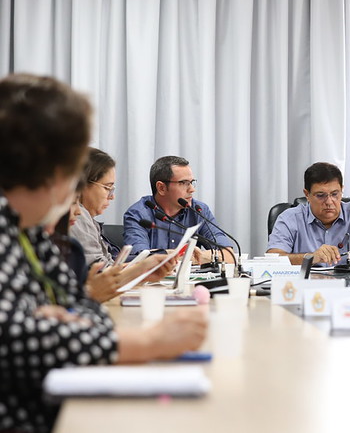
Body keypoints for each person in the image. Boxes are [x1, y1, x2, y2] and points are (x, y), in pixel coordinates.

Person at [0, 74, 206, 432]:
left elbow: (85, 309)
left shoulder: (29, 231)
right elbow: (15, 339)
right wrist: (149, 341)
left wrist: (57, 322)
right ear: (50, 169)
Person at [267, 162, 350, 269]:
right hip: (306, 287)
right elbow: (272, 260)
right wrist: (311, 257)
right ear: (307, 194)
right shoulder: (289, 218)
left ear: (342, 190)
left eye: (335, 194)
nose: (329, 202)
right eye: (320, 195)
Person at [123, 156, 234, 264]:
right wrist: (185, 256)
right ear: (161, 188)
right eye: (183, 183)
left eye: (192, 182)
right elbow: (139, 261)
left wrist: (199, 257)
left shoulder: (199, 210)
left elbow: (229, 255)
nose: (192, 189)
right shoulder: (138, 215)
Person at [71, 147, 121, 266]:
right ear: (83, 184)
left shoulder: (88, 218)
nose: (111, 196)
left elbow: (108, 264)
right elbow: (98, 269)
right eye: (107, 188)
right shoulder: (78, 217)